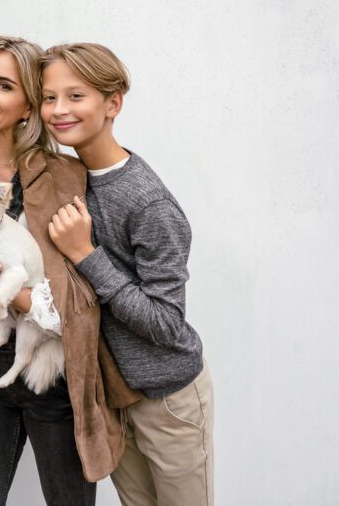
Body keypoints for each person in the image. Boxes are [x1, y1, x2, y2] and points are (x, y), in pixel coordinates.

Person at [0, 36, 139, 506]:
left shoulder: (65, 175)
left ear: (28, 108)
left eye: (5, 85)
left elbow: (82, 303)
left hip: (56, 381)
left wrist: (15, 296)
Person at [39, 42, 213, 506]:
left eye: (76, 96)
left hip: (169, 399)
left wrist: (86, 254)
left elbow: (165, 323)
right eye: (48, 96)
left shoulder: (148, 202)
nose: (58, 110)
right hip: (117, 397)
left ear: (112, 103)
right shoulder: (69, 178)